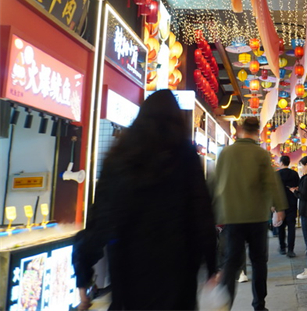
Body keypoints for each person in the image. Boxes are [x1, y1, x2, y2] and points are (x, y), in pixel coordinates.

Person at [73, 90, 217, 310]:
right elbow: (201, 212)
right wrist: (212, 264)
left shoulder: (120, 156)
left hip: (130, 273)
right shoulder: (185, 156)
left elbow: (103, 217)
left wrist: (83, 271)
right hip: (177, 271)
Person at [212, 117, 287, 310]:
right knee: (259, 262)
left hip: (232, 217)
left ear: (241, 131)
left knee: (231, 262)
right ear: (256, 132)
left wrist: (213, 213)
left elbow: (216, 184)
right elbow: (271, 183)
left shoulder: (226, 153)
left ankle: (225, 304)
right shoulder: (260, 154)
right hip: (257, 217)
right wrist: (279, 208)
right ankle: (259, 305)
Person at [277, 156, 299, 258]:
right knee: (291, 227)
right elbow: (298, 187)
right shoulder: (294, 173)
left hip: (280, 204)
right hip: (292, 203)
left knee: (281, 226)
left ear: (281, 162)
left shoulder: (276, 174)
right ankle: (291, 250)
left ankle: (282, 247)